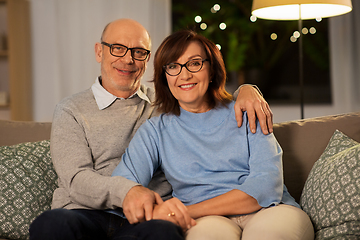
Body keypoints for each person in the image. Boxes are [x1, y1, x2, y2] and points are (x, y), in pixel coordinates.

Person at [29, 19, 273, 240]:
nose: (128, 59)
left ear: (148, 60)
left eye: (138, 52)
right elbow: (75, 180)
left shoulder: (165, 105)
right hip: (85, 213)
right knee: (51, 224)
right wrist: (129, 191)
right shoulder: (71, 110)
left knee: (163, 232)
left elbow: (202, 95)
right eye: (117, 48)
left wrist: (248, 90)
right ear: (99, 51)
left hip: (148, 219)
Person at [112, 29, 314, 240]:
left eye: (194, 63)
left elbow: (265, 188)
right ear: (165, 77)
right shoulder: (155, 130)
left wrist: (185, 212)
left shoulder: (247, 110)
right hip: (206, 221)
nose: (184, 74)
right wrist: (150, 205)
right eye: (173, 66)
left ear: (211, 69)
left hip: (271, 209)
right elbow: (123, 184)